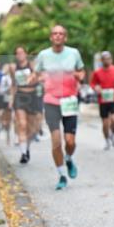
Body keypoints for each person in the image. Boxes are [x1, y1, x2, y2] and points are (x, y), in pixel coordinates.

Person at [35, 24, 85, 190]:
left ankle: (69, 159)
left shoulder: (74, 53)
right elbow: (36, 74)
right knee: (56, 142)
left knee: (70, 141)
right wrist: (37, 78)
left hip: (69, 100)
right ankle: (62, 175)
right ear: (51, 37)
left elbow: (82, 71)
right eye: (55, 34)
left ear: (65, 37)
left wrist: (79, 76)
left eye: (61, 34)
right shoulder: (43, 55)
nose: (57, 36)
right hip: (51, 101)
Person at [11, 46, 41, 163]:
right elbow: (13, 84)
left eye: (22, 52)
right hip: (20, 96)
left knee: (32, 128)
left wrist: (34, 78)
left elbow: (39, 78)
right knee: (22, 125)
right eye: (17, 53)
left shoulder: (32, 65)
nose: (20, 55)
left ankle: (27, 148)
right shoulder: (13, 68)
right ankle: (23, 154)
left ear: (26, 54)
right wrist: (11, 99)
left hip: (32, 96)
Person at [90, 51, 114, 150]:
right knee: (105, 123)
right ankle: (107, 140)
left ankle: (112, 134)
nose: (107, 60)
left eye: (109, 58)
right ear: (102, 60)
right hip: (103, 100)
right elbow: (92, 83)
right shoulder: (97, 72)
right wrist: (96, 87)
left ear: (111, 59)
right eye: (105, 59)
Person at [0, 63, 13, 142]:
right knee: (4, 115)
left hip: (12, 98)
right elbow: (1, 90)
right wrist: (8, 90)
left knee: (9, 116)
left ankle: (8, 135)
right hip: (5, 97)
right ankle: (3, 125)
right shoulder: (4, 78)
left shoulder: (13, 77)